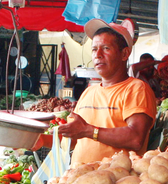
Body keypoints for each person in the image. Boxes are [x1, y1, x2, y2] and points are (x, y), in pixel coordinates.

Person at [57, 19, 157, 166]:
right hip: (79, 181)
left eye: (105, 48)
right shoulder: (88, 92)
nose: (97, 55)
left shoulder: (136, 89)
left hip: (115, 183)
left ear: (124, 54)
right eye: (93, 49)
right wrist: (39, 140)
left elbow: (135, 138)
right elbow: (73, 140)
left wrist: (88, 131)